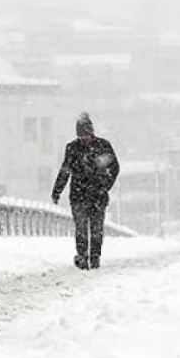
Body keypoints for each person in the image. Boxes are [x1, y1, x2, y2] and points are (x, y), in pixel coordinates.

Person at [51, 113, 120, 270]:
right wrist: (57, 190)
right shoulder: (72, 148)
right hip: (79, 195)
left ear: (91, 132)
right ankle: (82, 256)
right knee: (81, 228)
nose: (84, 138)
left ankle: (94, 256)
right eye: (81, 135)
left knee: (96, 228)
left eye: (86, 134)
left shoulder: (103, 146)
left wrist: (105, 186)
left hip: (97, 195)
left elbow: (114, 168)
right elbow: (65, 171)